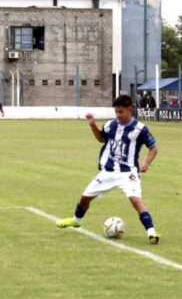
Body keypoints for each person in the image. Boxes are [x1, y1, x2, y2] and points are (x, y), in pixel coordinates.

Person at [55, 95, 161, 244]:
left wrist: (146, 164)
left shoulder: (140, 129)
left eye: (121, 112)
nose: (118, 115)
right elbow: (101, 139)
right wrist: (92, 125)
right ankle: (76, 220)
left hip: (128, 172)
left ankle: (151, 232)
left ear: (130, 110)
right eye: (116, 112)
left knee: (136, 201)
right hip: (108, 171)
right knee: (85, 197)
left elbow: (153, 148)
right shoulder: (111, 125)